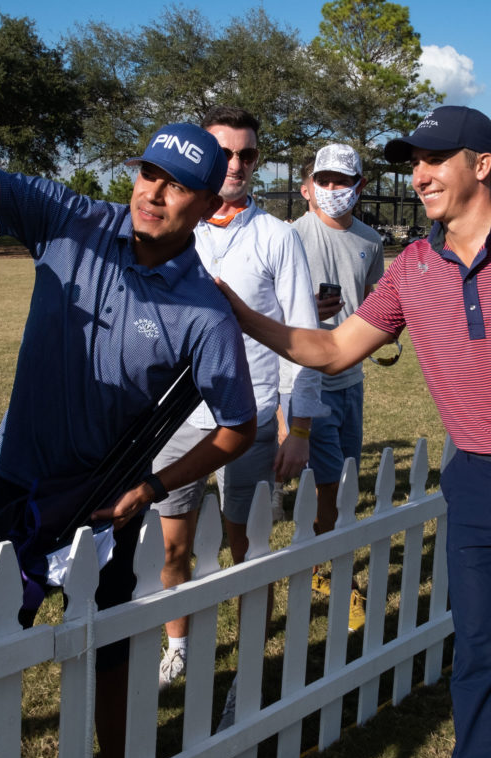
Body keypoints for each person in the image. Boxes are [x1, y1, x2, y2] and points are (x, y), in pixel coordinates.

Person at [215, 105, 491, 758]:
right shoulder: (411, 267)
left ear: (480, 165)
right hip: (478, 485)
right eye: (413, 164)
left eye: (434, 160)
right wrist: (243, 317)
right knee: (478, 660)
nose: (419, 175)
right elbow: (336, 348)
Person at [0, 60, 257, 758]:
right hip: (21, 481)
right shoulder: (72, 220)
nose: (153, 193)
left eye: (177, 184)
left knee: (112, 648)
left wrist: (152, 489)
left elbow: (238, 427)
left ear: (209, 202)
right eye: (147, 173)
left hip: (110, 505)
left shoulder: (206, 311)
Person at [152, 106, 324, 706]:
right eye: (223, 152)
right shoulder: (176, 229)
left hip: (248, 424)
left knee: (247, 549)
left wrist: (298, 427)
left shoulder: (276, 236)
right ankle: (180, 645)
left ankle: (248, 666)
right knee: (172, 547)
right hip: (175, 423)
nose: (236, 164)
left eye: (247, 154)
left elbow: (303, 335)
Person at [293, 144, 384, 633]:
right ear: (310, 183)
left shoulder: (370, 241)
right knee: (331, 485)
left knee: (345, 478)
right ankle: (335, 573)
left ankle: (314, 561)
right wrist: (305, 310)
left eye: (341, 181)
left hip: (352, 379)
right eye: (323, 180)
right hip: (308, 382)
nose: (332, 190)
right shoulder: (291, 237)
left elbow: (372, 303)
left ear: (359, 187)